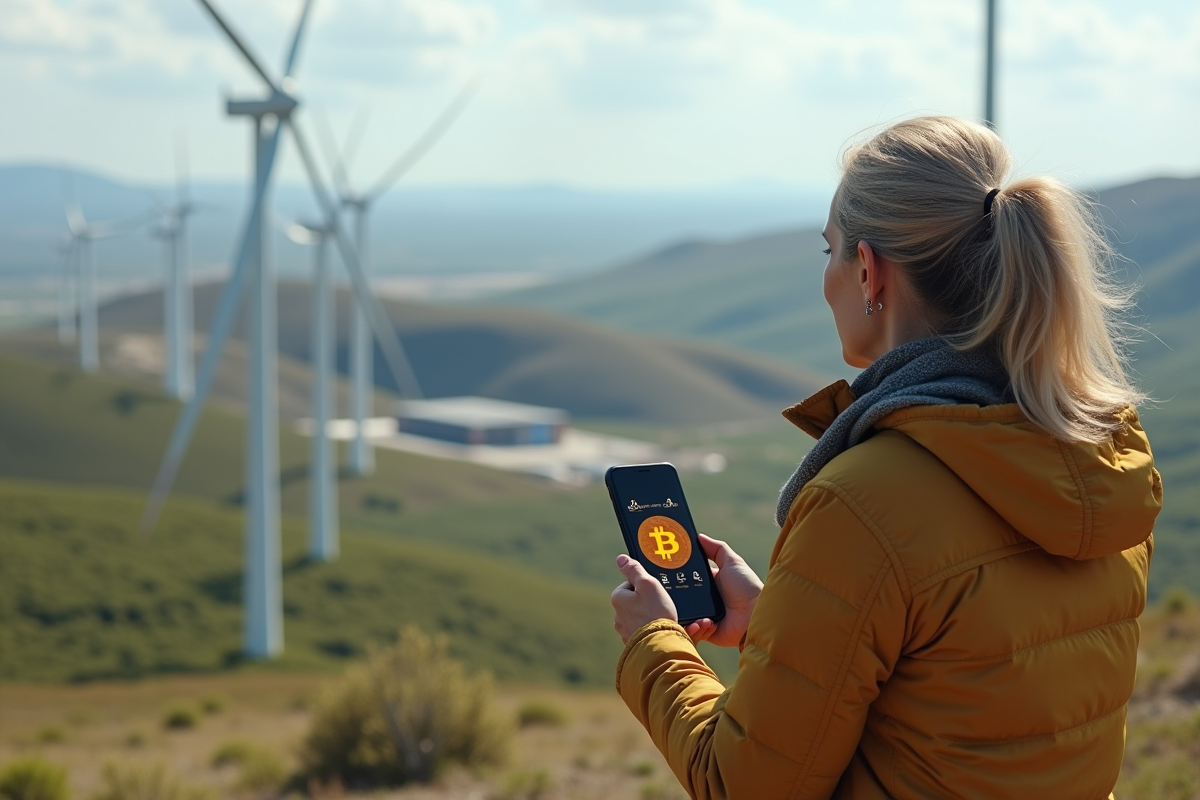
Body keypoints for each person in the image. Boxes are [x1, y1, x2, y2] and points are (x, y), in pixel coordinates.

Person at [609, 116, 1162, 799]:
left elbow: (743, 784)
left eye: (830, 250)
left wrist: (656, 644)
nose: (827, 277)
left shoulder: (863, 501)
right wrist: (779, 626)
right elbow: (967, 694)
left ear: (870, 271)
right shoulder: (1101, 465)